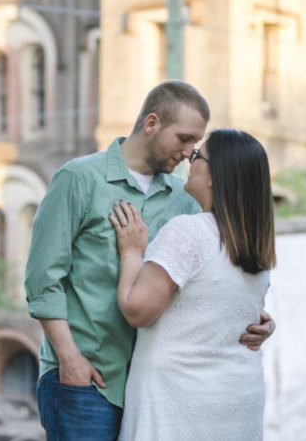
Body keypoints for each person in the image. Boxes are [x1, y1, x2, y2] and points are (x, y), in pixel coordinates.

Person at [24, 81, 275, 441]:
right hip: (88, 378)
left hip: (157, 385)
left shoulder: (185, 198)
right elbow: (42, 280)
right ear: (152, 123)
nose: (190, 153)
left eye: (196, 144)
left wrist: (255, 318)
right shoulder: (79, 179)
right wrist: (69, 359)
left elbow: (207, 274)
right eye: (185, 138)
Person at [109, 128, 276, 441]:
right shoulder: (257, 246)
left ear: (215, 175)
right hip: (238, 398)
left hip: (178, 400)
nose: (189, 157)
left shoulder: (189, 232)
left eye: (198, 155)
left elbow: (137, 311)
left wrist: (131, 252)